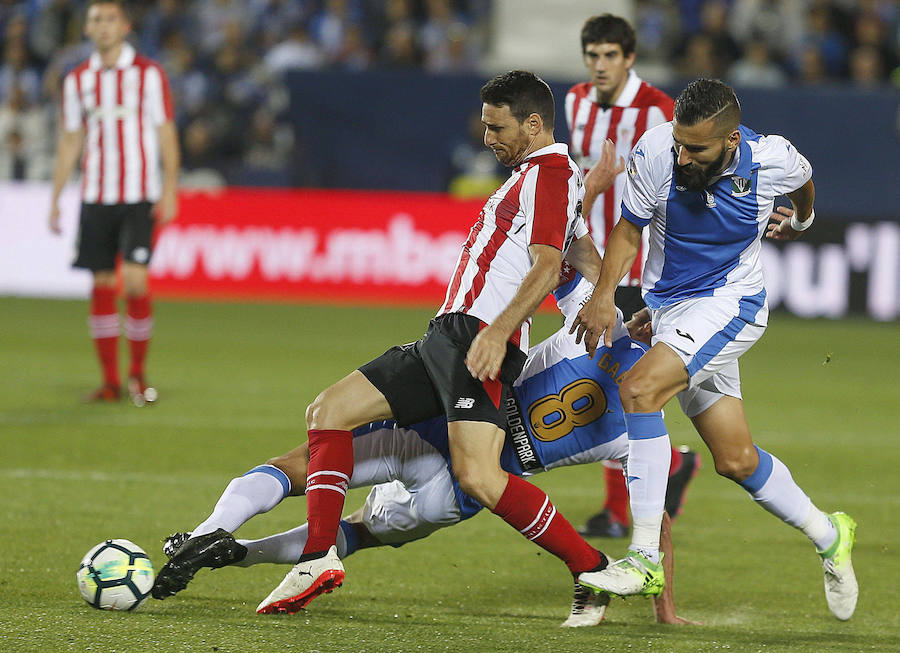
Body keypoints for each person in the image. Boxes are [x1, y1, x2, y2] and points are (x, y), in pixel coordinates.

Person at [157, 70, 614, 617]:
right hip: (447, 335)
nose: (487, 137)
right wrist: (600, 256)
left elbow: (545, 266)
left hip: (476, 336)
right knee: (331, 410)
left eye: (497, 127)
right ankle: (319, 554)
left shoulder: (551, 175)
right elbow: (581, 257)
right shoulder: (548, 179)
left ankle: (592, 567)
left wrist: (499, 330)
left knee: (480, 476)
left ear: (533, 124)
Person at [152, 273, 694, 627]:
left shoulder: (590, 329)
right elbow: (657, 519)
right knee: (359, 532)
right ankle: (233, 550)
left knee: (303, 463)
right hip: (468, 488)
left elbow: (566, 265)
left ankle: (212, 537)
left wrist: (590, 207)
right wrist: (664, 612)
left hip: (439, 429)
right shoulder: (643, 429)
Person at [572, 78, 858, 621]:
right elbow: (629, 230)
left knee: (639, 388)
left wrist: (801, 220)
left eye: (696, 148)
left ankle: (643, 557)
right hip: (673, 310)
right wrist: (607, 295)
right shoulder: (656, 150)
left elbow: (804, 180)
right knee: (735, 459)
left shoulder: (770, 158)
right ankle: (830, 534)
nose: (683, 154)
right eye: (680, 142)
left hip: (732, 303)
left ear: (729, 141)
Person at [565, 13, 699, 539]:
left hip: (635, 263)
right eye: (592, 55)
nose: (599, 65)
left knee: (620, 381)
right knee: (605, 376)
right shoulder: (574, 100)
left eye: (609, 56)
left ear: (629, 58)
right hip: (587, 257)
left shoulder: (659, 109)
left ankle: (623, 509)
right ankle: (663, 473)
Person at [47, 0, 180, 406]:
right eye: (94, 20)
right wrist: (55, 197)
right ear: (87, 30)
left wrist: (170, 187)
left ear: (123, 26)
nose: (102, 26)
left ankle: (138, 375)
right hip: (96, 196)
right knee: (102, 283)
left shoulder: (149, 75)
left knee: (136, 280)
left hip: (139, 194)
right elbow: (71, 140)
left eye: (109, 19)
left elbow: (164, 131)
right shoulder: (77, 80)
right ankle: (110, 382)